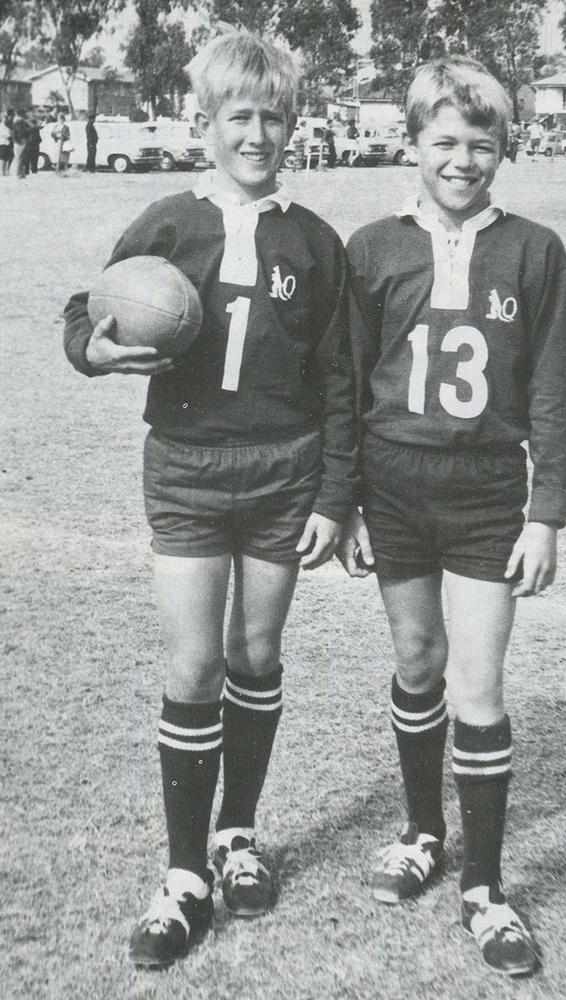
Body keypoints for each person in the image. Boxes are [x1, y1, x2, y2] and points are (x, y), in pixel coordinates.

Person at [63, 26, 356, 969]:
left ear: (295, 125)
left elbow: (341, 378)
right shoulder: (168, 221)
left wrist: (335, 495)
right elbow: (86, 310)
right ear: (206, 122)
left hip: (285, 471)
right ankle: (184, 872)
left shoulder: (314, 241)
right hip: (188, 466)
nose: (259, 134)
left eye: (275, 118)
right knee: (193, 666)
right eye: (241, 117)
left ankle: (237, 835)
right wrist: (95, 349)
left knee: (255, 652)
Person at [339, 55, 566, 978]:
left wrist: (545, 508)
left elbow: (550, 386)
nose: (463, 158)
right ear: (412, 144)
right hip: (392, 485)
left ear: (504, 150)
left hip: (484, 493)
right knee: (416, 660)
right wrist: (346, 499)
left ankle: (484, 886)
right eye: (445, 141)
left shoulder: (535, 248)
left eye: (482, 143)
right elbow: (348, 384)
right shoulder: (372, 247)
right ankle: (421, 831)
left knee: (478, 683)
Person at [11, 108, 30, 178]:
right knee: (19, 157)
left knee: (22, 158)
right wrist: (28, 129)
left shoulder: (19, 121)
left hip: (21, 141)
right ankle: (18, 173)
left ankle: (21, 173)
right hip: (19, 141)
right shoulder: (18, 122)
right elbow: (22, 131)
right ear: (21, 114)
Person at [0, 112, 12, 176]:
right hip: (3, 144)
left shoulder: (6, 126)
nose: (5, 119)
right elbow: (7, 135)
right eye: (4, 118)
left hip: (7, 144)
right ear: (1, 118)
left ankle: (6, 171)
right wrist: (10, 134)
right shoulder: (1, 126)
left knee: (7, 158)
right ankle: (2, 172)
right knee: (2, 159)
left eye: (6, 118)